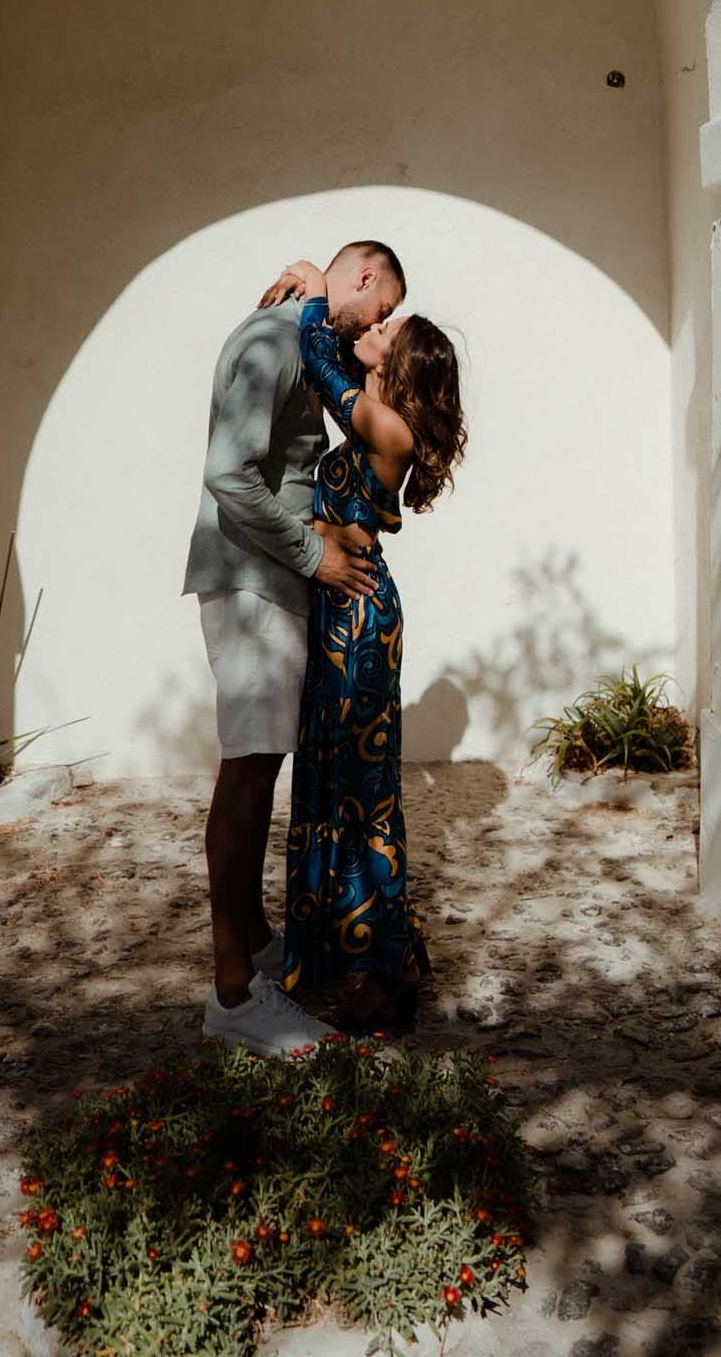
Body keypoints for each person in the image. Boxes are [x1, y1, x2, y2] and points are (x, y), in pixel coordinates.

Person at [186, 239, 405, 1057]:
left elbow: (278, 468)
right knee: (245, 777)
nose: (370, 329)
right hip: (251, 585)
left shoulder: (294, 332)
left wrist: (313, 288)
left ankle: (259, 948)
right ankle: (233, 994)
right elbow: (228, 474)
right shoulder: (277, 342)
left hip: (267, 582)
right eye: (378, 311)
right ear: (363, 279)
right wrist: (316, 553)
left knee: (261, 768)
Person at [259, 256, 467, 1031]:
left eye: (390, 329)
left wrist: (316, 286)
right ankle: (369, 954)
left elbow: (318, 357)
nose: (375, 328)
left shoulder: (385, 424)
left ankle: (383, 978)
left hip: (358, 620)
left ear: (402, 362)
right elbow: (339, 362)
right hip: (348, 608)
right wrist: (320, 527)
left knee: (356, 795)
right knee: (340, 780)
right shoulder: (378, 408)